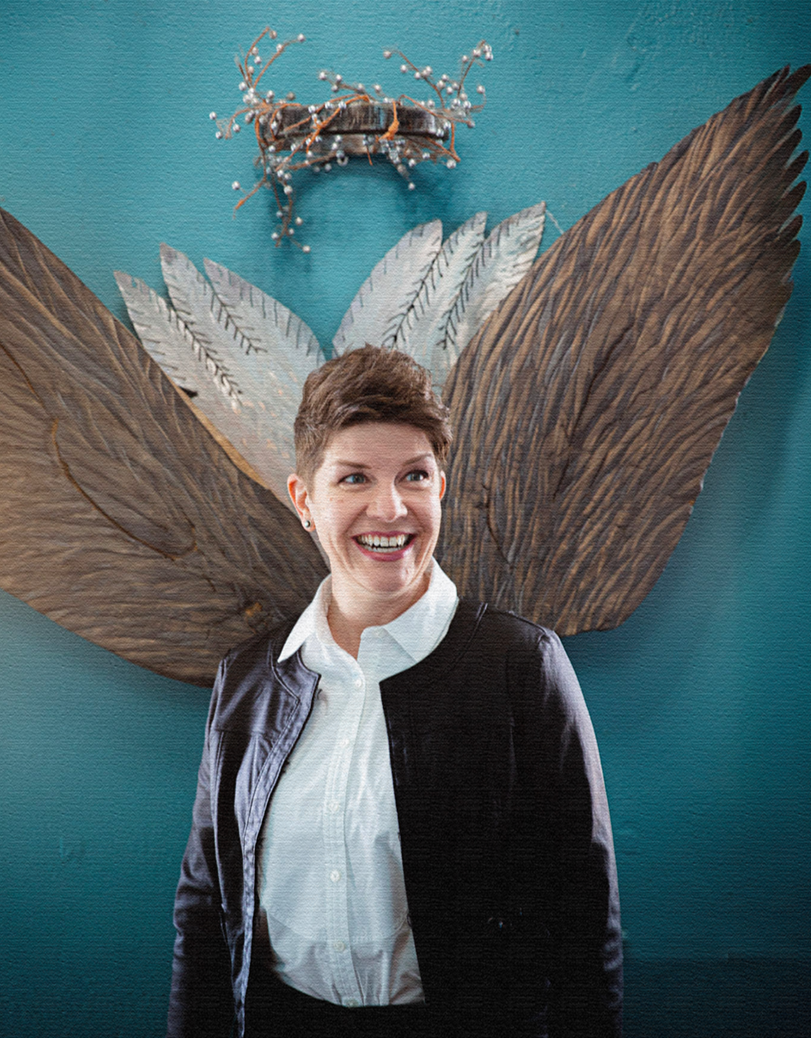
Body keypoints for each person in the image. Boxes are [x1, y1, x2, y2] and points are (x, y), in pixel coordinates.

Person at [168, 347, 621, 1038]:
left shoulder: (522, 667)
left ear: (440, 487)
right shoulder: (248, 681)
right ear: (305, 502)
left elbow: (583, 924)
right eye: (354, 478)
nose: (391, 508)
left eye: (415, 475)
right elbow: (206, 909)